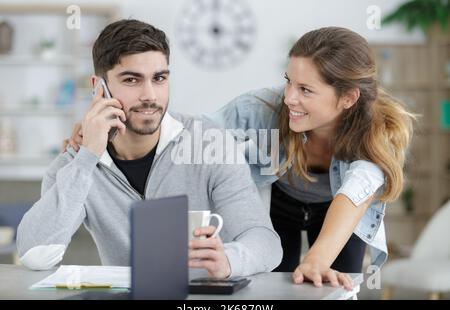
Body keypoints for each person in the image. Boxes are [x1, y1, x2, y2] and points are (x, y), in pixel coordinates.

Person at [16, 19, 283, 280]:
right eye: (132, 80)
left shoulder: (210, 141)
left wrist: (228, 260)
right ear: (99, 87)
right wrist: (88, 157)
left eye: (159, 78)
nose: (150, 95)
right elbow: (35, 255)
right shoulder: (75, 163)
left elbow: (265, 243)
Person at [205, 27, 415, 287]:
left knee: (335, 288)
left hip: (337, 208)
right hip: (278, 203)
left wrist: (316, 261)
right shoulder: (258, 108)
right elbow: (192, 146)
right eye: (288, 81)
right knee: (271, 288)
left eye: (305, 89)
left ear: (348, 98)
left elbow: (354, 195)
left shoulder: (379, 131)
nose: (289, 97)